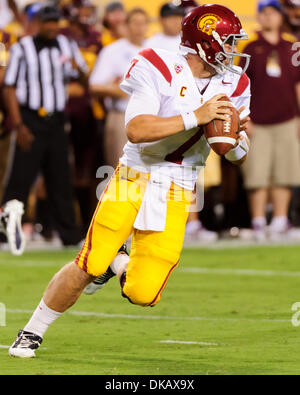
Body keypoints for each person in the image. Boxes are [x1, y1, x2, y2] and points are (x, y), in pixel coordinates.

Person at [8, 4, 251, 358]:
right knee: (89, 262)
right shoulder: (159, 64)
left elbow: (237, 154)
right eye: (227, 41)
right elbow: (136, 130)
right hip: (135, 174)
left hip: (179, 186)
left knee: (144, 293)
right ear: (205, 41)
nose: (233, 49)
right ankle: (32, 331)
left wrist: (234, 140)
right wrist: (196, 116)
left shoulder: (236, 83)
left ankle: (117, 263)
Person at [2, 4, 88, 247]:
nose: (52, 27)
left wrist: (76, 67)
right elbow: (10, 87)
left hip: (57, 120)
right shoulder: (22, 48)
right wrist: (19, 125)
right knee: (20, 178)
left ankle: (69, 236)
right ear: (38, 23)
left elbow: (83, 76)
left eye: (55, 22)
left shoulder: (67, 46)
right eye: (47, 22)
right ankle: (5, 233)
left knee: (60, 178)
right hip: (30, 119)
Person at [239, 0, 300, 241]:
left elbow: (298, 85)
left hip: (286, 119)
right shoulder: (250, 48)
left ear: (280, 16)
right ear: (259, 17)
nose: (270, 17)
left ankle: (280, 220)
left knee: (285, 171)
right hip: (258, 121)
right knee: (257, 173)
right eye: (265, 13)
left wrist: (298, 116)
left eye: (274, 12)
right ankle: (257, 222)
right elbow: (240, 86)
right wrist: (246, 117)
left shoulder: (293, 47)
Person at [89, 8, 149, 168]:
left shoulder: (154, 49)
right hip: (122, 116)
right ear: (126, 25)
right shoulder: (113, 51)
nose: (140, 27)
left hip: (152, 118)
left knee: (150, 175)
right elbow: (94, 85)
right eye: (135, 23)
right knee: (122, 171)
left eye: (143, 23)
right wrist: (117, 89)